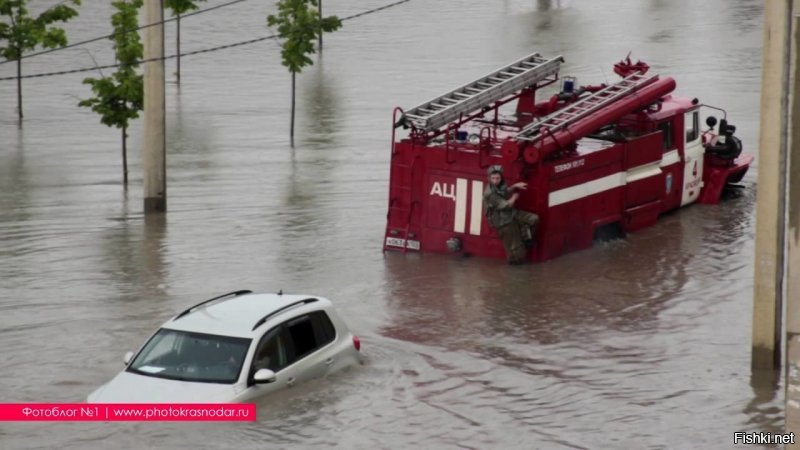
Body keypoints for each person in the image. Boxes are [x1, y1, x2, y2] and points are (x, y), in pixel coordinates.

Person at [483, 165, 539, 265]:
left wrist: (514, 186)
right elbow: (505, 206)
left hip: (511, 214)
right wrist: (514, 197)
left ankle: (524, 236)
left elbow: (504, 193)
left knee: (533, 219)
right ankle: (514, 271)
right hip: (503, 222)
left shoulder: (500, 186)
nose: (495, 181)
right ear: (488, 178)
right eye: (493, 178)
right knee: (516, 254)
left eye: (497, 178)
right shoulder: (490, 193)